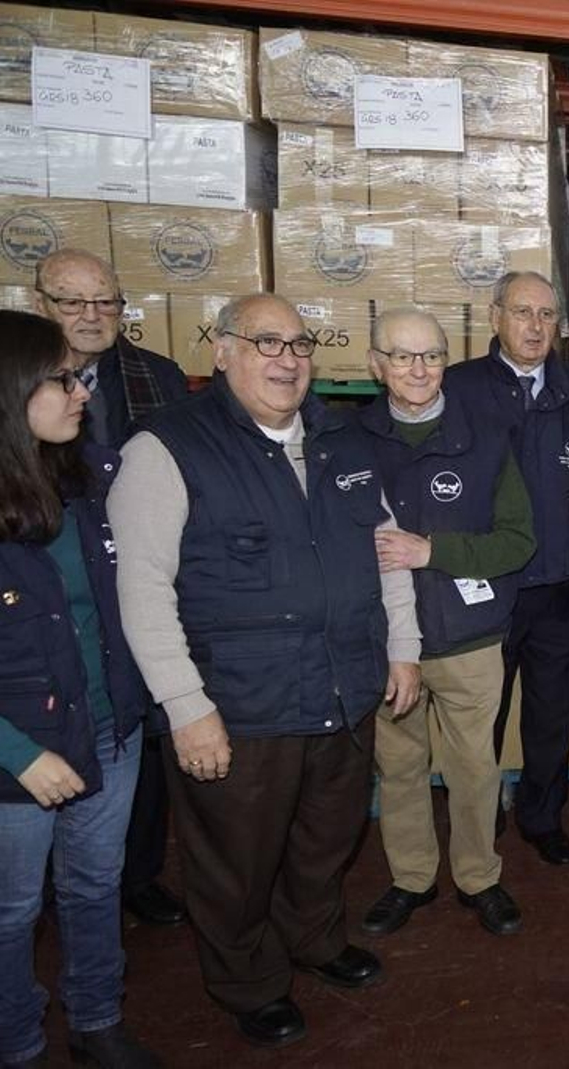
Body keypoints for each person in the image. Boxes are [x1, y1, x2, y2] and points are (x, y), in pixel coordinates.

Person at [108, 294, 423, 1048]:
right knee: (236, 859)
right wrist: (186, 704)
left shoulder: (342, 439)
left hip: (344, 687)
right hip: (241, 705)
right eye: (266, 342)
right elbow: (141, 589)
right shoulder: (168, 447)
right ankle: (247, 980)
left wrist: (403, 646)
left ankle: (314, 939)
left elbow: (386, 549)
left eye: (300, 344)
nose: (287, 359)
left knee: (326, 837)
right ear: (221, 351)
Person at [0, 311, 159, 1068]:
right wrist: (19, 755)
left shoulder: (90, 479)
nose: (82, 391)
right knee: (12, 910)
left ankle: (96, 1020)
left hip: (108, 727)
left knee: (96, 886)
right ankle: (18, 1041)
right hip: (21, 752)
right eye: (62, 379)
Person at [355, 308, 536, 938]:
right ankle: (411, 878)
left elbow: (518, 541)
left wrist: (433, 551)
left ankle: (479, 877)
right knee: (399, 767)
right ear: (375, 364)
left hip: (469, 638)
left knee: (474, 769)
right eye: (402, 356)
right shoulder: (349, 442)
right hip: (384, 641)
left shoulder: (487, 437)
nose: (418, 369)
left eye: (431, 356)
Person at [33, 248, 190, 929]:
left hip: (145, 571)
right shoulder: (16, 381)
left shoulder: (158, 377)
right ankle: (42, 878)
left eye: (106, 302)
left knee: (141, 728)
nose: (92, 315)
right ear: (41, 304)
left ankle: (138, 873)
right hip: (51, 580)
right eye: (73, 301)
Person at [446, 271, 569, 867]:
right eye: (522, 312)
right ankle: (478, 818)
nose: (535, 327)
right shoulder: (458, 388)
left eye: (547, 315)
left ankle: (542, 816)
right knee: (481, 715)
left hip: (559, 584)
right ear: (495, 317)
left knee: (551, 713)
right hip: (486, 586)